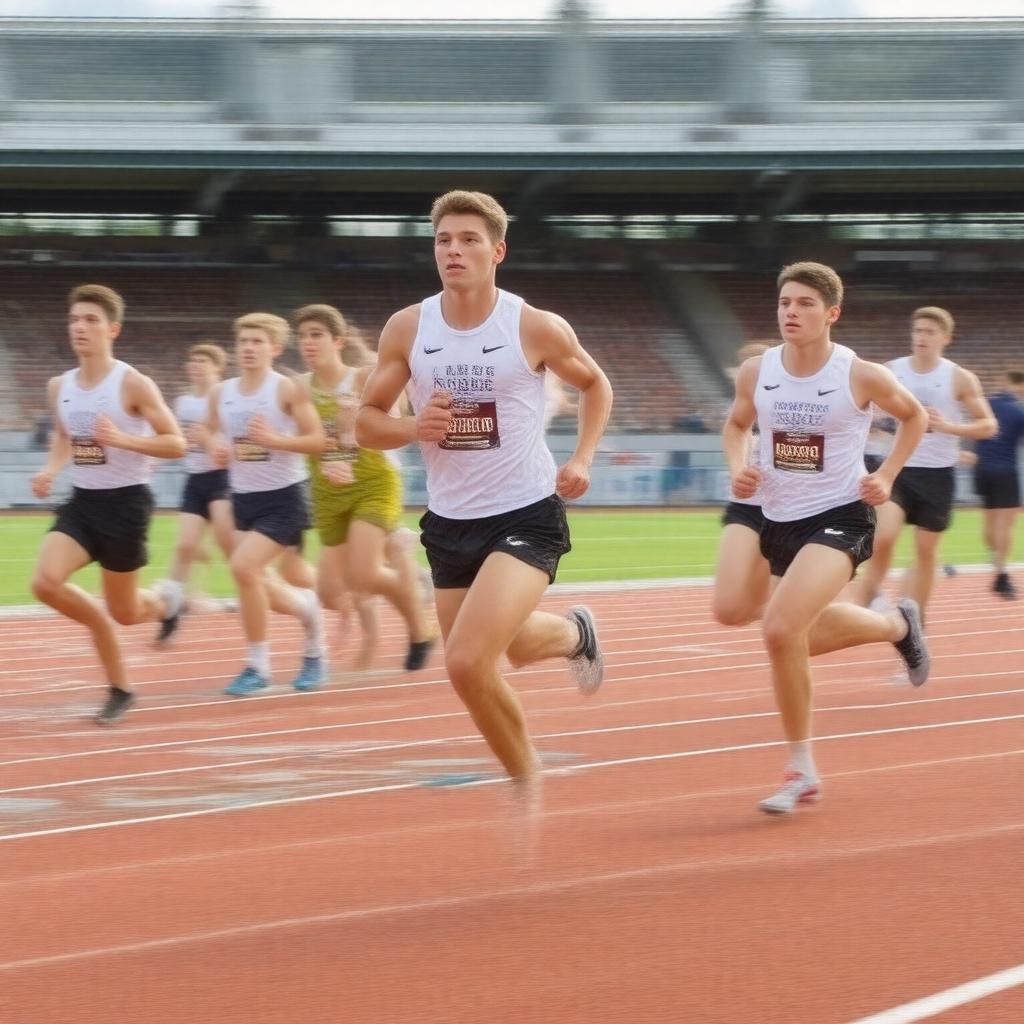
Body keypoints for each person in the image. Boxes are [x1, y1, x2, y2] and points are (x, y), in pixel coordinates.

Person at [355, 189, 613, 810]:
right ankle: (577, 635)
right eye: (443, 239)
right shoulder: (410, 328)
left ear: (497, 250)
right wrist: (413, 427)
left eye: (469, 239)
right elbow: (364, 423)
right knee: (512, 649)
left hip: (526, 511)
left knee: (467, 662)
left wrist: (581, 458)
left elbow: (594, 383)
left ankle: (527, 783)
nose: (454, 250)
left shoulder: (532, 326)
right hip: (450, 520)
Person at [723, 262, 931, 815]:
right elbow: (736, 424)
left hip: (840, 515)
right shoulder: (756, 371)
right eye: (785, 302)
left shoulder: (860, 374)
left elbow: (913, 419)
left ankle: (802, 769)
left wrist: (885, 474)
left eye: (805, 304)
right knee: (797, 637)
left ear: (831, 313)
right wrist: (738, 465)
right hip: (777, 519)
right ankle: (895, 624)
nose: (791, 311)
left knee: (780, 629)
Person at [30, 284, 187, 724]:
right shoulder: (58, 385)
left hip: (126, 505)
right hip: (82, 503)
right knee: (45, 582)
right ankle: (120, 685)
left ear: (112, 329)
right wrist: (50, 469)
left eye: (91, 320)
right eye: (75, 319)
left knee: (128, 612)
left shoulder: (133, 383)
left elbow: (176, 442)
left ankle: (166, 602)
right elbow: (65, 438)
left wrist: (122, 438)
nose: (80, 327)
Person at [294, 303, 435, 672]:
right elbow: (296, 436)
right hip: (327, 491)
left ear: (337, 341)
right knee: (327, 590)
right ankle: (409, 585)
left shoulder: (363, 378)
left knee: (364, 574)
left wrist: (357, 416)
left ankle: (420, 628)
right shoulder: (297, 389)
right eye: (302, 337)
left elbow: (400, 423)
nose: (308, 343)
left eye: (317, 335)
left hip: (372, 483)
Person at [850, 308, 996, 621]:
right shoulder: (893, 371)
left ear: (945, 338)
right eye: (917, 331)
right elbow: (866, 409)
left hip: (937, 475)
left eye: (930, 332)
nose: (922, 337)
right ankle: (869, 599)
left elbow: (988, 426)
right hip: (898, 470)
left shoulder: (958, 377)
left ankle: (917, 621)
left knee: (926, 551)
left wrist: (949, 428)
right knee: (883, 536)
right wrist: (877, 420)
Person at [208, 313, 327, 695]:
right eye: (243, 341)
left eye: (257, 342)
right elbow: (205, 428)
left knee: (243, 567)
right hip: (244, 498)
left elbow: (317, 440)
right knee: (259, 583)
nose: (248, 348)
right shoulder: (221, 392)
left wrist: (276, 439)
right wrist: (213, 444)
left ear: (274, 348)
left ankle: (258, 666)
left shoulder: (287, 390)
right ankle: (310, 615)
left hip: (284, 499)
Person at [155, 342, 234, 643]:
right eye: (194, 360)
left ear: (218, 368)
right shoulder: (183, 402)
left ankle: (259, 589)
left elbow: (231, 443)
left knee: (229, 546)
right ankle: (172, 614)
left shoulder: (227, 397)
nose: (197, 365)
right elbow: (179, 439)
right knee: (186, 546)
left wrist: (211, 442)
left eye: (204, 360)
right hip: (195, 479)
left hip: (223, 478)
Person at [712, 341, 771, 627]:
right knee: (730, 611)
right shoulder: (741, 404)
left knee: (781, 614)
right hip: (747, 505)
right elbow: (736, 429)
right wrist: (738, 470)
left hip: (795, 509)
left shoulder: (796, 400)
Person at [974, 369, 1024, 599]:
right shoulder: (1019, 410)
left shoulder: (987, 402)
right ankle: (1001, 574)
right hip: (1005, 471)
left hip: (982, 469)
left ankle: (994, 556)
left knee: (990, 522)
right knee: (1006, 525)